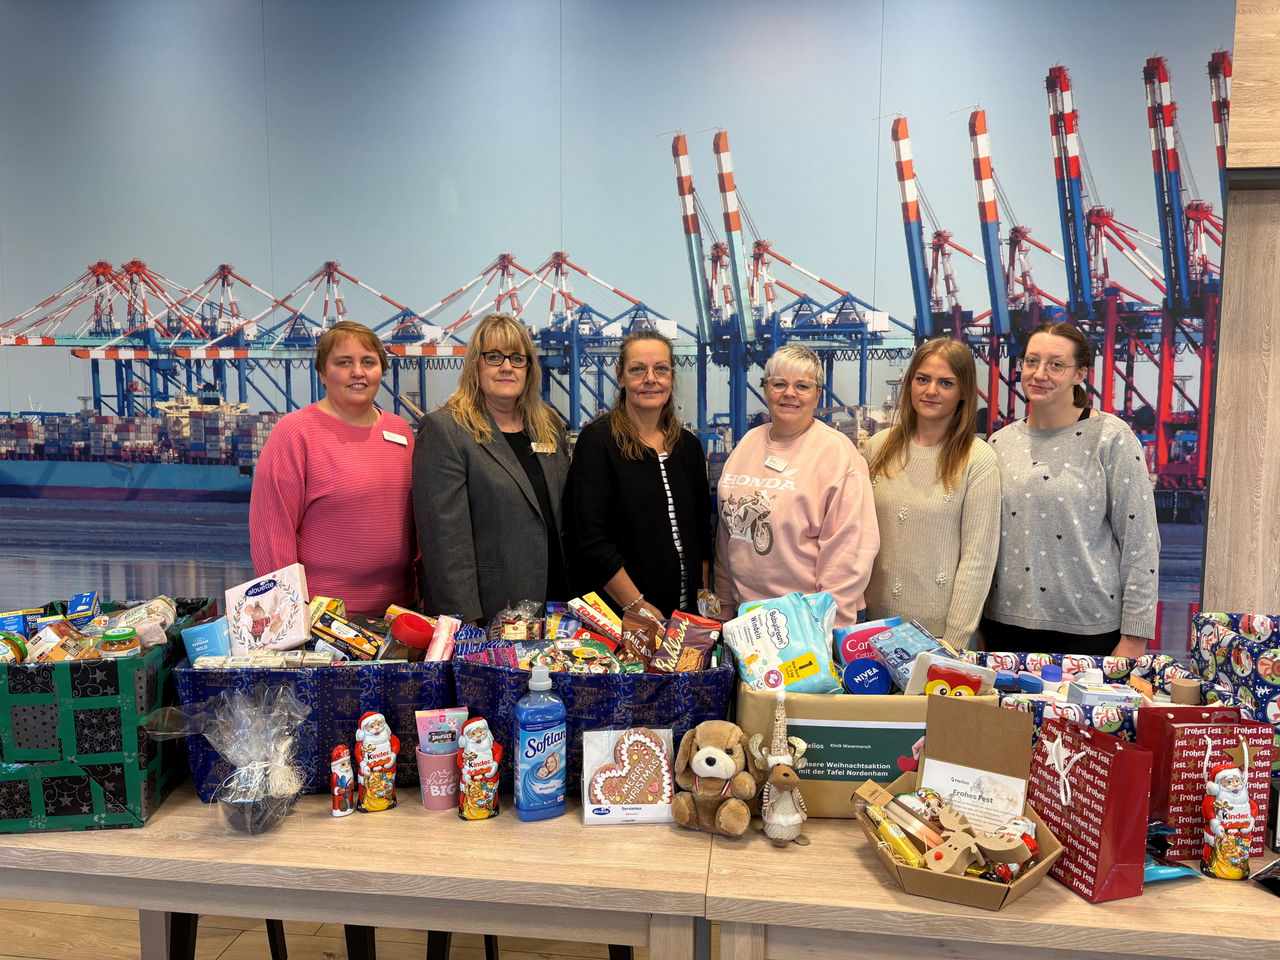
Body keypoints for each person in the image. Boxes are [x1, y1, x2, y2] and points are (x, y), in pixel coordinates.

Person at [981, 320, 1159, 658]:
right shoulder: (999, 444)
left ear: (1080, 373)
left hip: (1090, 633)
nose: (1039, 373)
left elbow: (1141, 542)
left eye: (1056, 364)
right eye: (1031, 361)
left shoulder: (1111, 438)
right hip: (1003, 627)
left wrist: (1135, 638)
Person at [250, 320, 415, 617]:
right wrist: (288, 616)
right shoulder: (294, 432)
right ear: (323, 374)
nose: (358, 372)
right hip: (321, 621)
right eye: (344, 362)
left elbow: (420, 525)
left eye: (368, 362)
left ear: (381, 371)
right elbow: (272, 535)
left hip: (399, 617)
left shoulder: (401, 431)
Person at [414, 314, 569, 624]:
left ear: (529, 368)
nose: (507, 366)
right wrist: (464, 623)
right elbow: (445, 544)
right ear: (476, 365)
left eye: (516, 358)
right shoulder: (446, 430)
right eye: (494, 357)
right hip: (491, 611)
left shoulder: (549, 426)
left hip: (558, 604)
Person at [714, 343, 878, 625]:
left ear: (817, 394)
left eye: (802, 386)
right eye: (779, 384)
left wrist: (826, 626)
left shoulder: (837, 454)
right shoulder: (748, 444)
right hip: (748, 618)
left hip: (808, 621)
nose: (789, 393)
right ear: (765, 391)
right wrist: (725, 605)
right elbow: (728, 535)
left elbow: (849, 553)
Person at [564, 329, 712, 620]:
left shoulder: (688, 446)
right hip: (623, 618)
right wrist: (636, 606)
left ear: (671, 375)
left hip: (685, 616)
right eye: (637, 370)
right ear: (620, 376)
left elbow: (702, 534)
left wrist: (702, 604)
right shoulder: (598, 442)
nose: (650, 379)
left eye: (660, 369)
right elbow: (591, 541)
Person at [863, 338, 1001, 649]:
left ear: (963, 391)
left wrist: (953, 641)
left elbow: (977, 560)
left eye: (946, 383)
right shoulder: (877, 447)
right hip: (867, 628)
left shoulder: (977, 459)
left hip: (937, 634)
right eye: (922, 379)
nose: (931, 391)